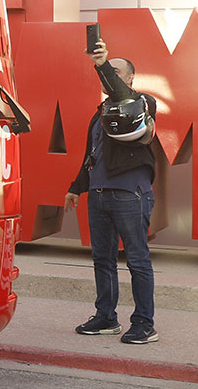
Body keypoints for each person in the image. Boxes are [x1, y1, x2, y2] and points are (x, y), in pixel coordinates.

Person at [65, 39, 165, 345]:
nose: (110, 76)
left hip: (130, 194)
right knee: (103, 260)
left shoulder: (141, 103)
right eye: (109, 70)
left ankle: (144, 324)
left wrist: (101, 64)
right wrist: (76, 188)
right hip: (99, 195)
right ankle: (106, 317)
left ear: (130, 78)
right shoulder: (102, 112)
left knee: (137, 260)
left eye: (116, 71)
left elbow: (122, 95)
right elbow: (92, 153)